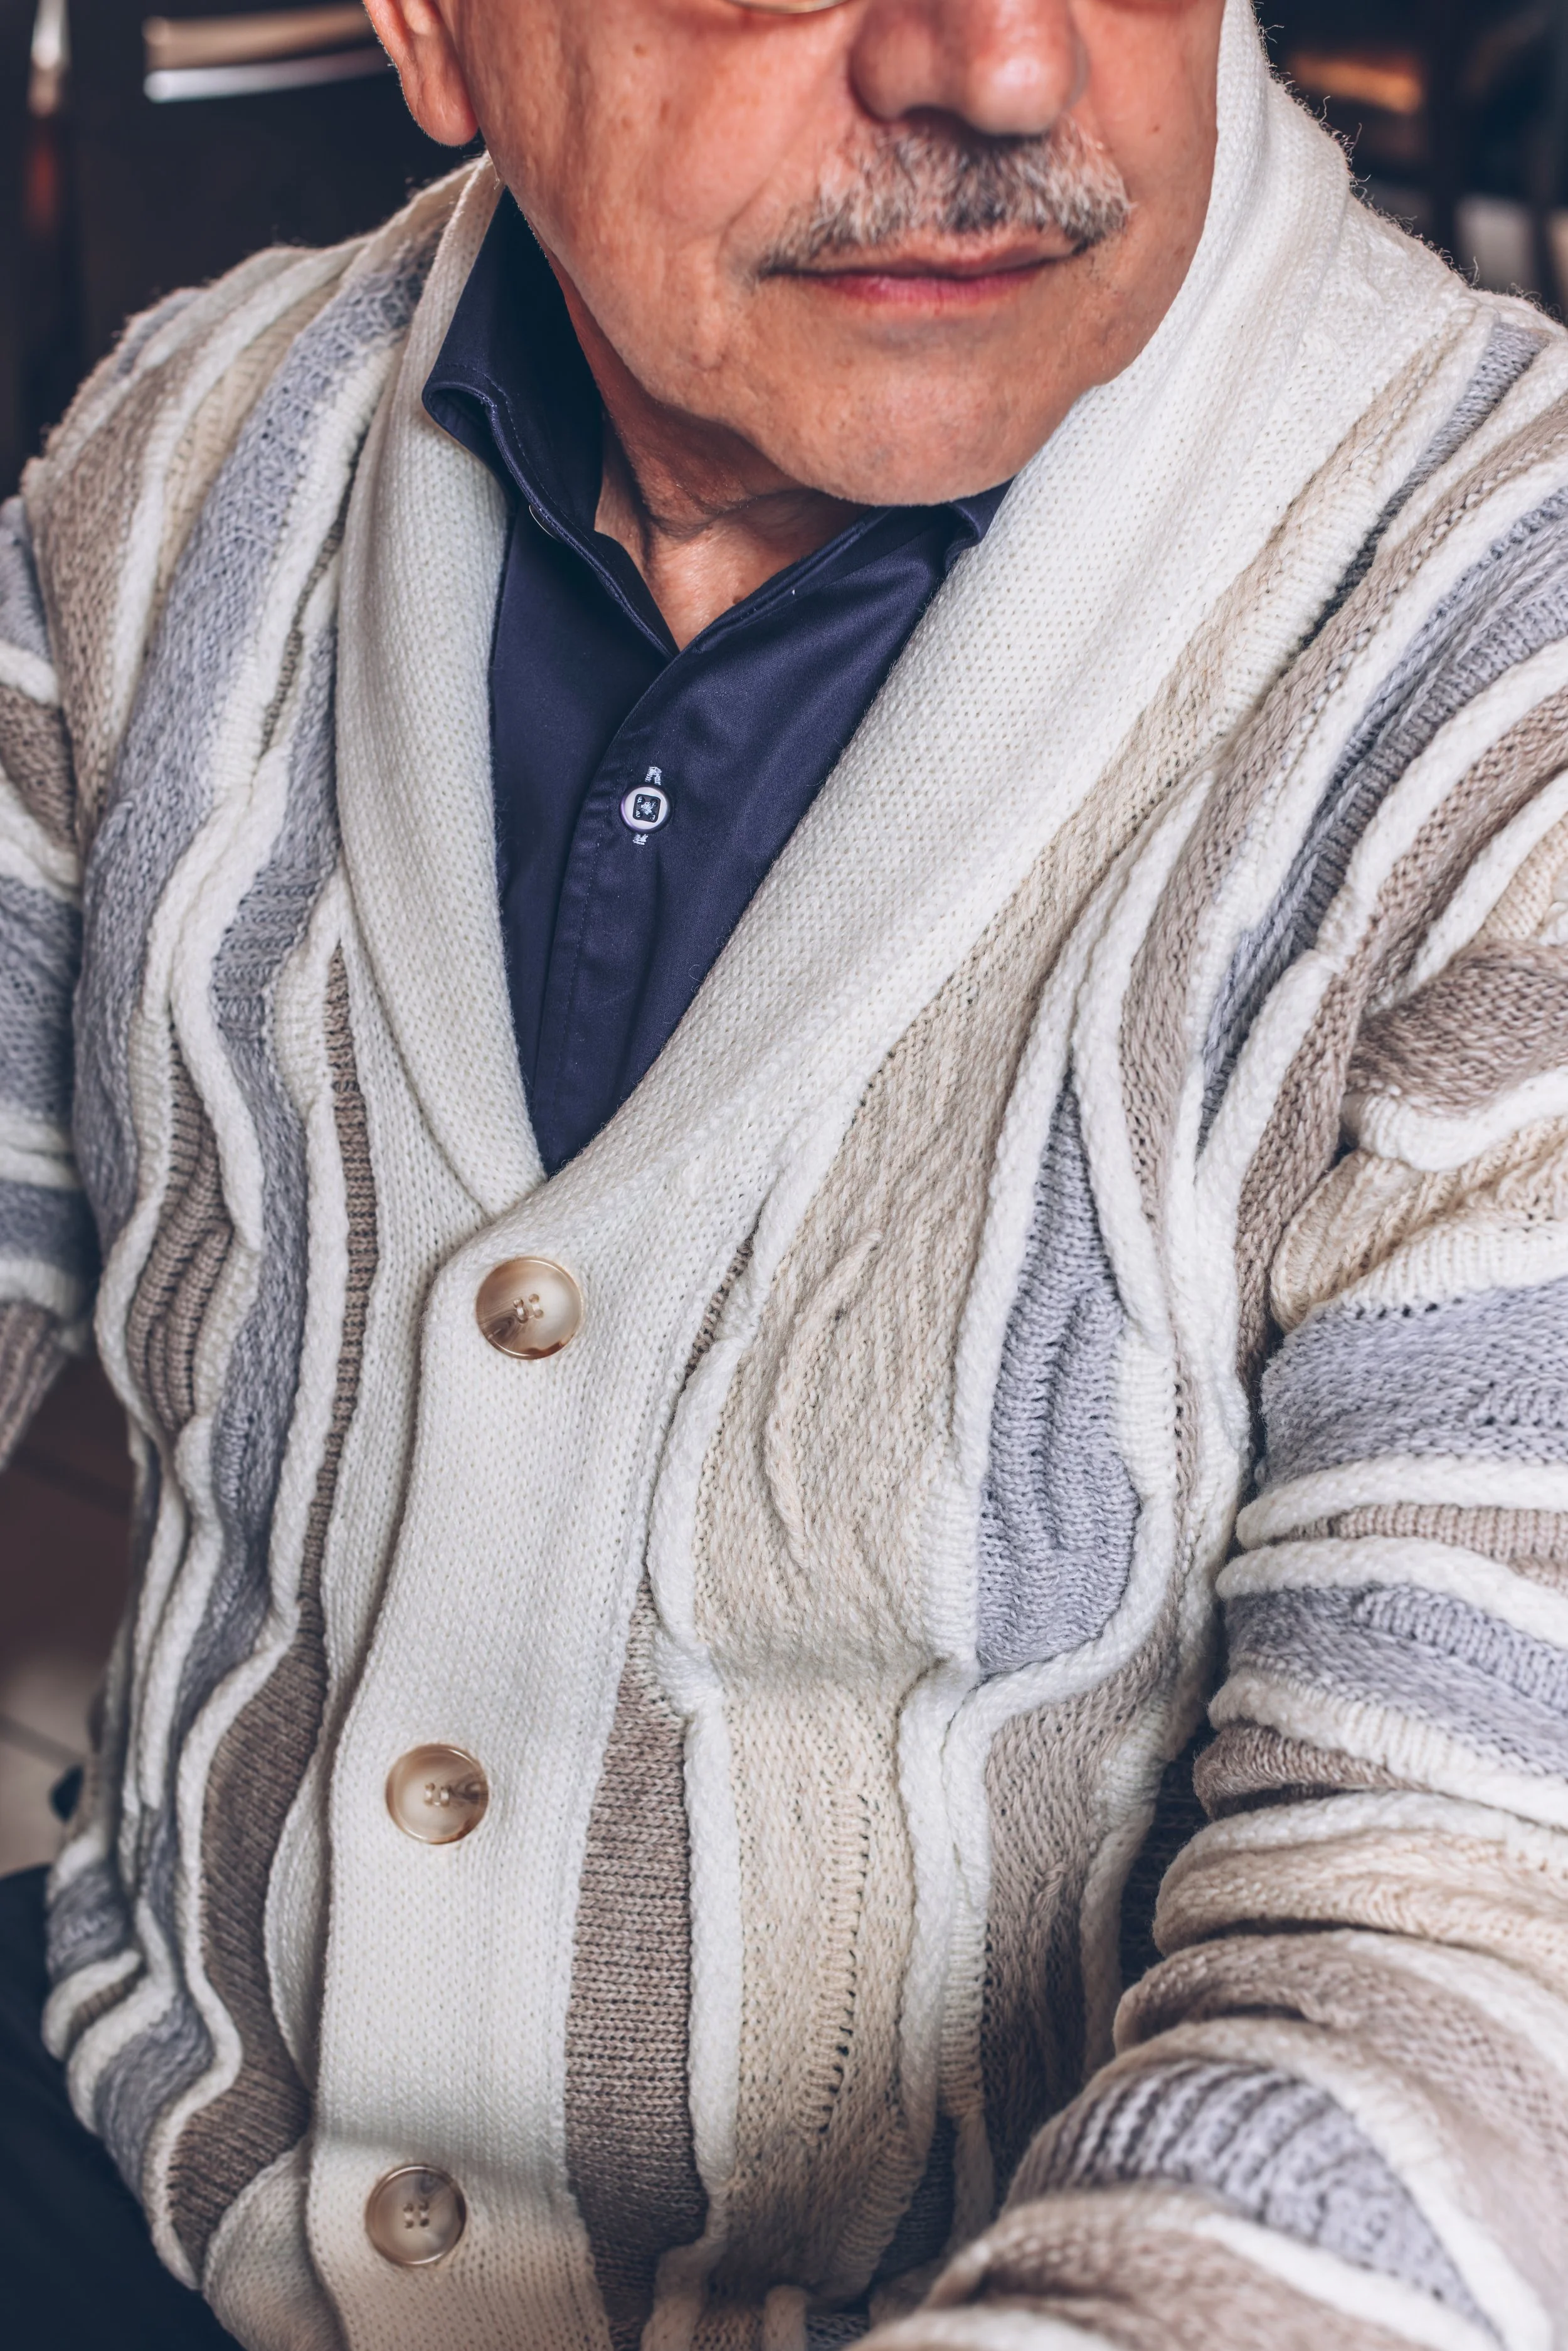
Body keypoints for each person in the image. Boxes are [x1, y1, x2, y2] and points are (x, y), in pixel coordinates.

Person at [4, 0, 1568, 2342]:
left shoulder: (1500, 676)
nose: (1011, 70)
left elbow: (1455, 1987)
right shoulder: (188, 460)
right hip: (139, 2165)